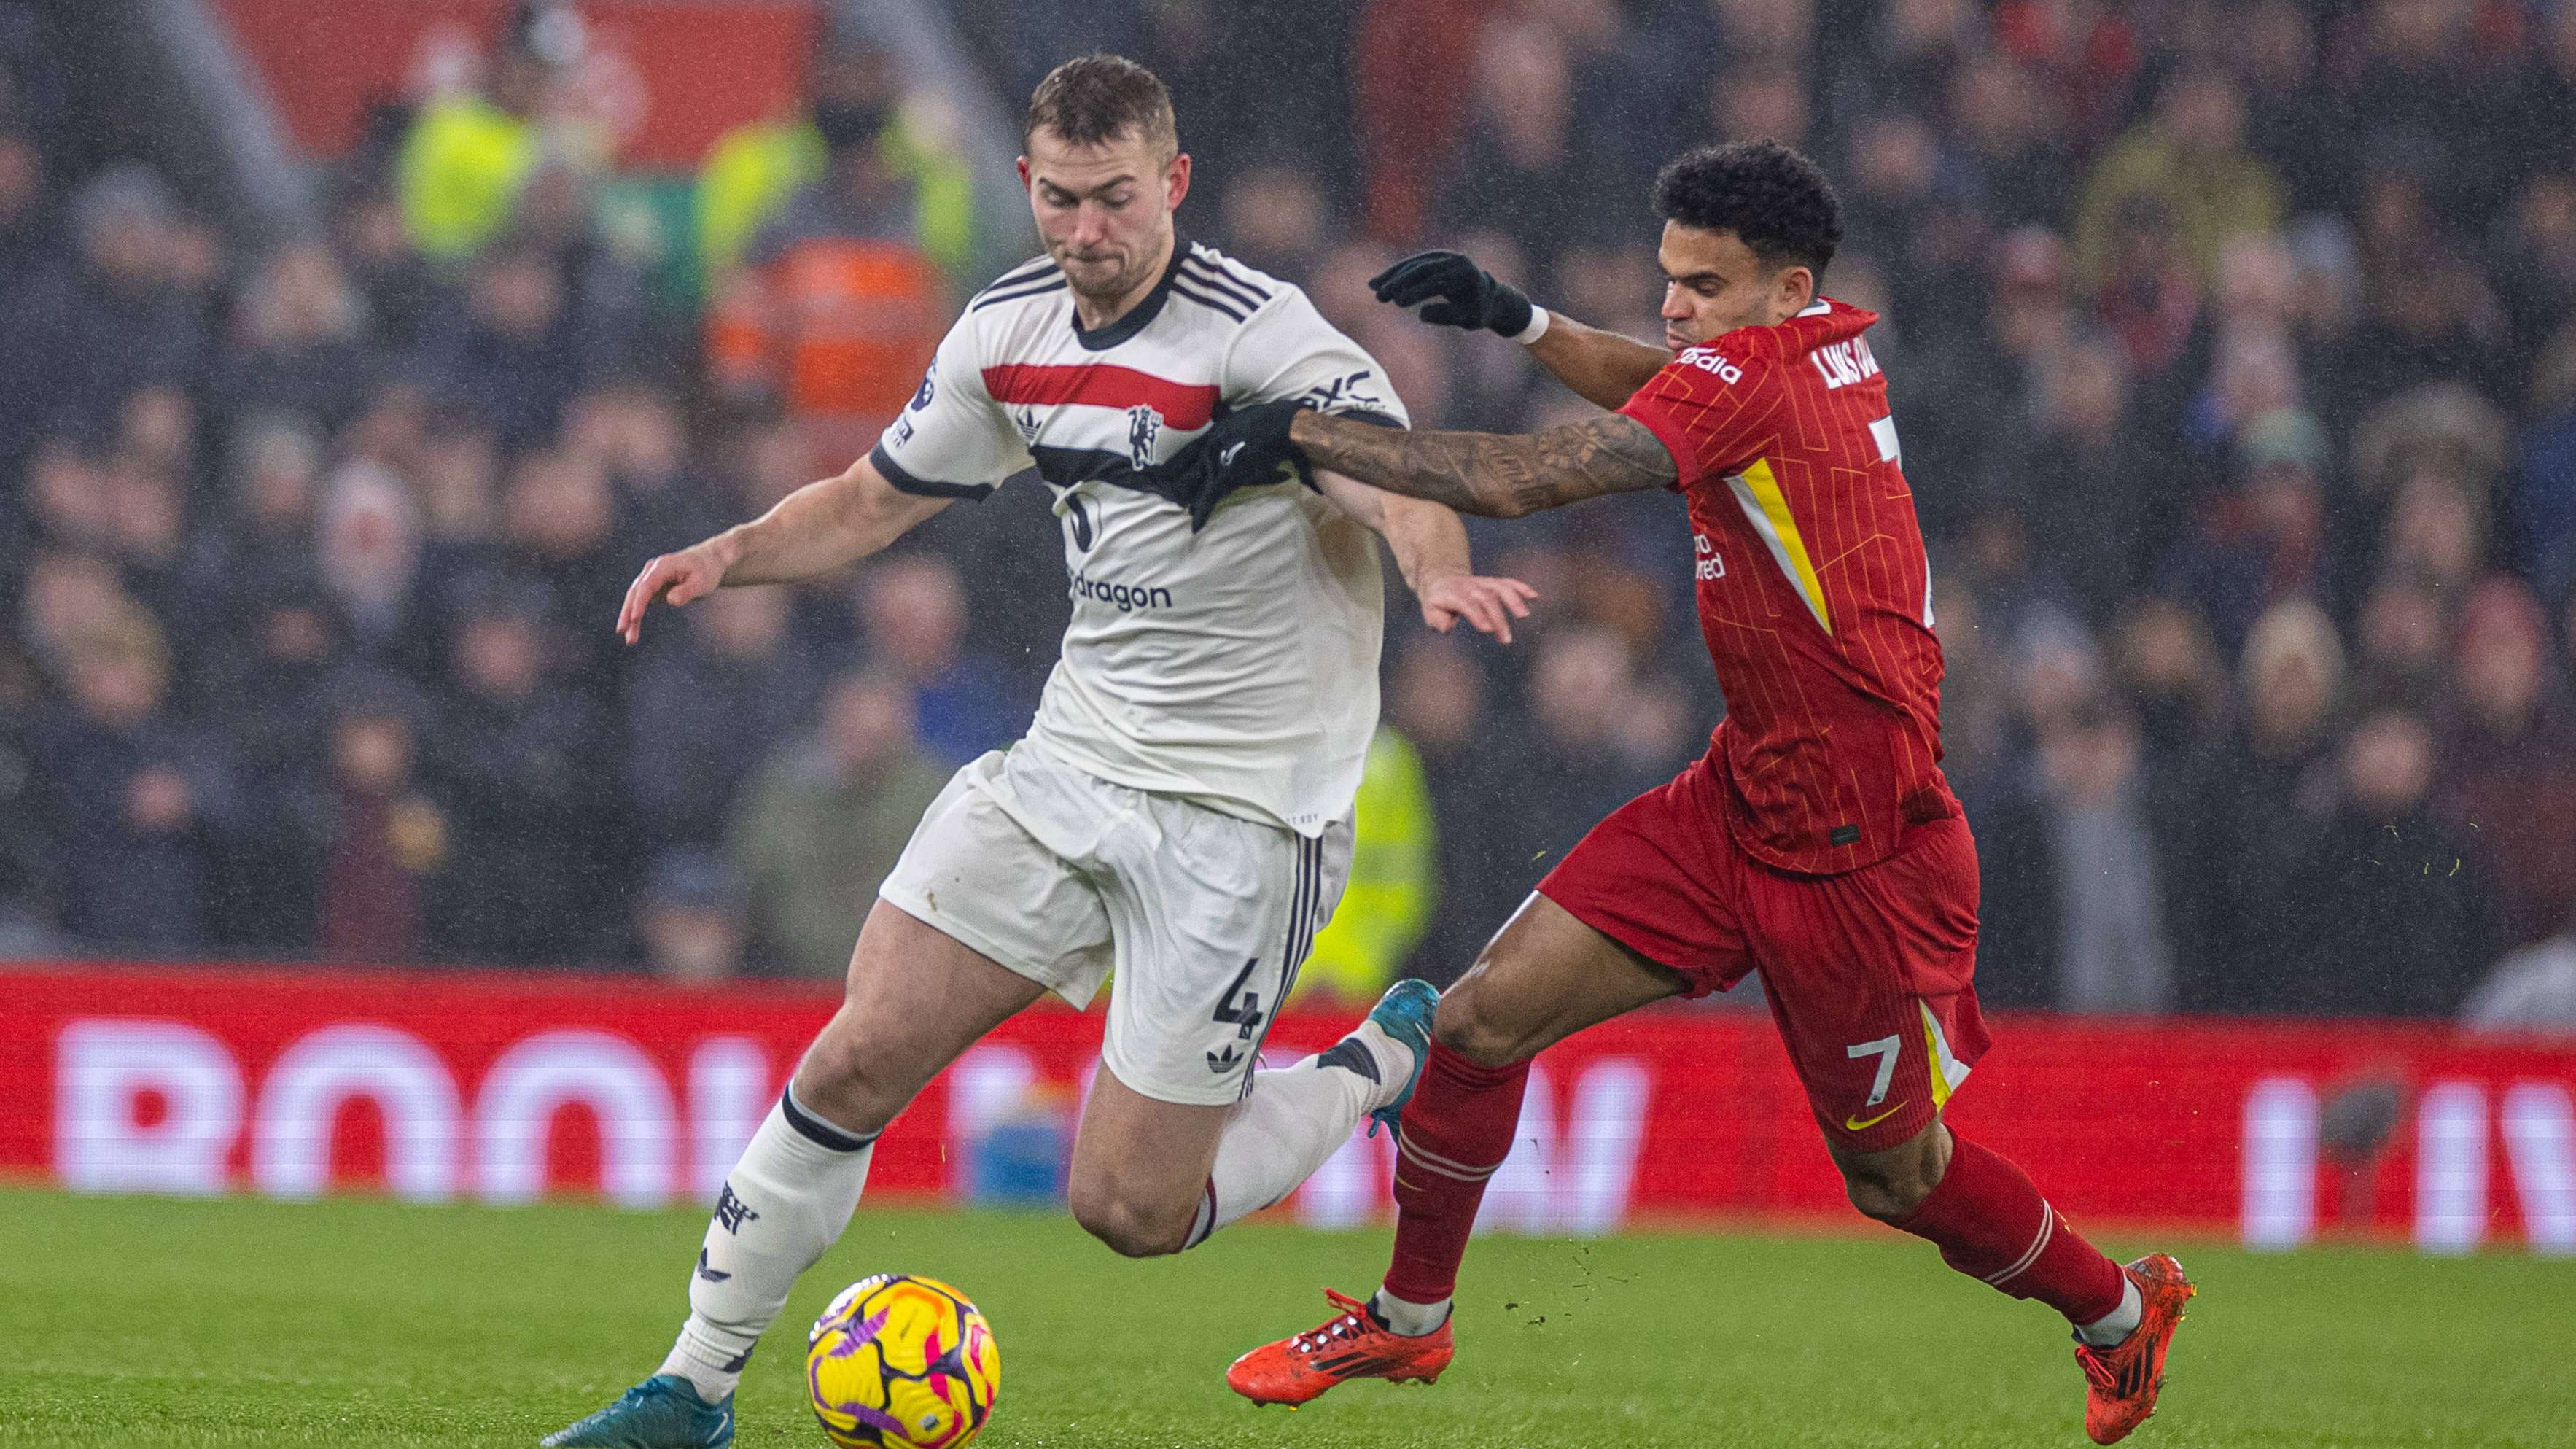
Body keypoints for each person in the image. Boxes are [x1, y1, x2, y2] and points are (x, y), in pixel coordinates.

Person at [543, 53, 1534, 1449]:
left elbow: (1395, 473)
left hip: (1242, 817)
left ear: (1172, 185)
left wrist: (1433, 571)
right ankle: (689, 1391)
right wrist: (732, 553)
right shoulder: (1006, 333)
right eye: (1061, 200)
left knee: (1130, 1211)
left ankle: (1379, 1063)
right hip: (1067, 766)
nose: (1087, 232)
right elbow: (870, 501)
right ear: (1026, 186)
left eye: (1116, 199)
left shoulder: (1265, 341)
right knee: (851, 1060)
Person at [1153, 140, 2194, 1445]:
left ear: (1785, 285)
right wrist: (1515, 316)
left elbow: (1521, 483)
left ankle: (2116, 1311)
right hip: (1737, 800)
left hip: (1858, 859)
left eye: (1703, 284)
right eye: (1668, 278)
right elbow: (1666, 377)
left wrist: (1297, 434)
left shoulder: (1760, 381)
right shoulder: (1813, 346)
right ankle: (1406, 1323)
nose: (1673, 304)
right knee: (1478, 1024)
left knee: (1896, 1177)